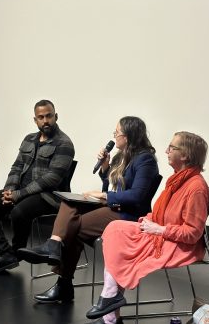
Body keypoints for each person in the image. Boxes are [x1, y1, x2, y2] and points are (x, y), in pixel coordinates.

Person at [18, 116, 160, 305]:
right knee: (69, 202)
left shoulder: (145, 160)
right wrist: (105, 168)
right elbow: (110, 186)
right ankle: (54, 244)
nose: (114, 136)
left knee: (73, 228)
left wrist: (105, 197)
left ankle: (63, 282)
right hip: (113, 205)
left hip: (128, 214)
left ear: (127, 136)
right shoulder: (121, 156)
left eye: (116, 133)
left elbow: (137, 196)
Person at [85, 131, 209, 324]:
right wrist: (148, 220)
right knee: (115, 229)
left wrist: (160, 230)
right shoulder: (178, 180)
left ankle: (110, 314)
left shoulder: (196, 188)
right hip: (162, 231)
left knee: (120, 241)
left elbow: (193, 233)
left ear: (185, 155)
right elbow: (163, 213)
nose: (167, 150)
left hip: (180, 244)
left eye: (172, 147)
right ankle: (111, 299)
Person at [0, 99, 75, 276]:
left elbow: (51, 179)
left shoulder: (64, 143)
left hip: (48, 196)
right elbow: (17, 166)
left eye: (49, 116)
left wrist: (18, 194)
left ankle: (16, 250)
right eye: (41, 117)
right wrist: (9, 190)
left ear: (56, 116)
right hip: (20, 191)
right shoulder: (29, 139)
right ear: (35, 120)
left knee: (18, 212)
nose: (45, 121)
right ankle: (5, 253)